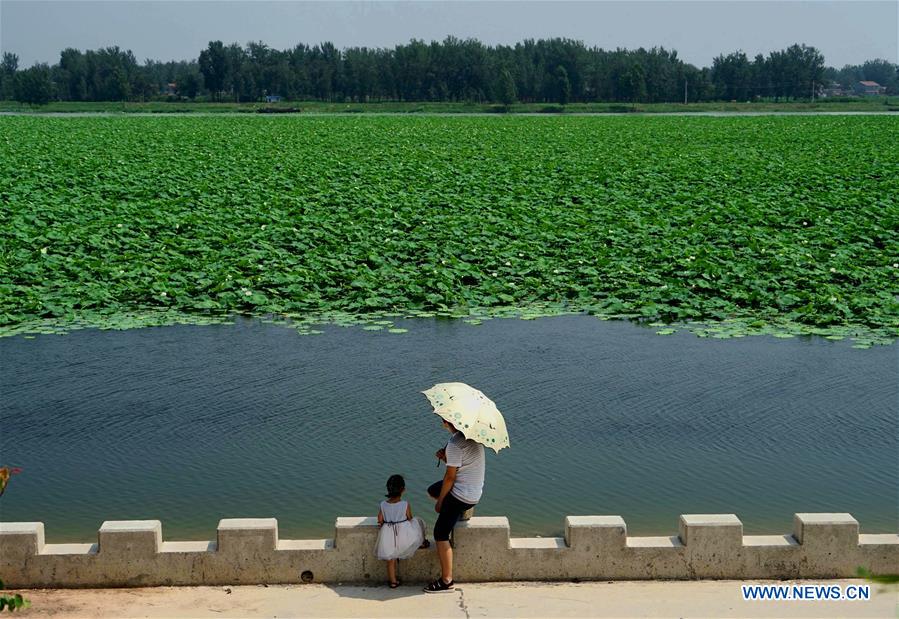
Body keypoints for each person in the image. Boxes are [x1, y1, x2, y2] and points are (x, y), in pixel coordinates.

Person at [423, 418, 485, 593]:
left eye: (445, 421)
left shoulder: (455, 444)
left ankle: (446, 581)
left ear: (451, 423)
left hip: (461, 496)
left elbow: (450, 478)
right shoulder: (475, 439)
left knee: (440, 533)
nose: (443, 424)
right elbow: (461, 467)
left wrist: (441, 503)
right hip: (474, 494)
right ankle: (460, 512)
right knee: (432, 490)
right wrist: (446, 459)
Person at [375, 474, 429, 588]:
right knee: (419, 522)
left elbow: (380, 519)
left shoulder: (383, 504)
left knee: (390, 559)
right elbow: (410, 517)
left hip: (388, 534)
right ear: (403, 490)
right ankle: (422, 542)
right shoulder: (405, 504)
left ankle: (393, 582)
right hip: (403, 534)